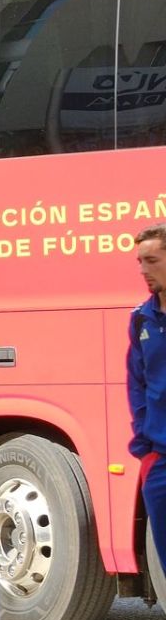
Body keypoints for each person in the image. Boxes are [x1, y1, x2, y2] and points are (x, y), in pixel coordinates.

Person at [128, 225, 166, 583]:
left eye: (152, 260)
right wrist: (145, 448)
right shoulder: (141, 318)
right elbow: (136, 385)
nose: (143, 269)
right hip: (160, 462)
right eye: (140, 261)